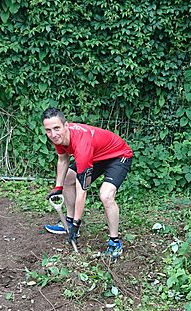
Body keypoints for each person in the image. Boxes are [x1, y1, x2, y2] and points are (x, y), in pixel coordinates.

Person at [42, 107, 133, 258]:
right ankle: (68, 222)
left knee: (106, 196)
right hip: (97, 154)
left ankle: (114, 243)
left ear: (66, 125)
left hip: (118, 155)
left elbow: (82, 190)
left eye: (56, 128)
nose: (53, 134)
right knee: (66, 179)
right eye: (48, 130)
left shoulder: (81, 145)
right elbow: (63, 159)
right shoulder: (58, 137)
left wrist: (78, 224)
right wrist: (58, 187)